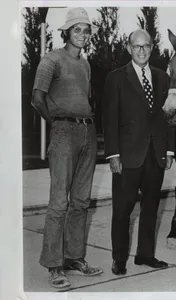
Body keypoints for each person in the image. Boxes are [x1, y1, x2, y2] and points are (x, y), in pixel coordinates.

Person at [31, 7, 103, 289]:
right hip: (63, 132)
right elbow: (37, 98)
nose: (82, 35)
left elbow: (86, 98)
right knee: (59, 202)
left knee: (81, 201)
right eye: (77, 30)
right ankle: (54, 265)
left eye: (86, 30)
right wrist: (57, 123)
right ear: (66, 32)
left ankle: (74, 258)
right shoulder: (51, 60)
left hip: (88, 131)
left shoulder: (85, 64)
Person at [102, 29, 175, 276]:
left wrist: (169, 151)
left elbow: (169, 117)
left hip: (155, 154)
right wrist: (113, 155)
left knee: (151, 207)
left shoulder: (163, 78)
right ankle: (119, 259)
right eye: (137, 46)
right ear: (129, 48)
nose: (142, 51)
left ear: (152, 47)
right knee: (122, 210)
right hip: (127, 156)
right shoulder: (116, 78)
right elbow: (109, 119)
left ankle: (145, 255)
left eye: (146, 46)